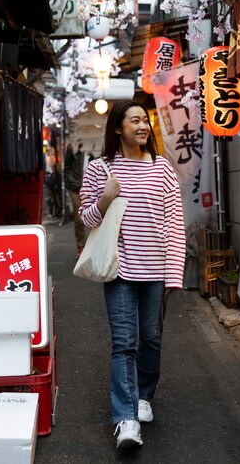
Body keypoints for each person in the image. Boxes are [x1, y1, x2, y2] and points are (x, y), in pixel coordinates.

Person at [79, 100, 186, 450]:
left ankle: (144, 394)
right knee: (125, 343)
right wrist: (106, 198)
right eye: (135, 120)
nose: (143, 126)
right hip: (119, 269)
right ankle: (125, 419)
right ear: (117, 128)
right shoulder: (100, 169)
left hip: (156, 270)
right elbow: (87, 220)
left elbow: (173, 225)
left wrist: (173, 274)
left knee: (151, 339)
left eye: (145, 121)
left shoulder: (162, 169)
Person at [64, 140, 93, 258]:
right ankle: (81, 247)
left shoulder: (97, 144)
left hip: (92, 187)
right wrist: (69, 184)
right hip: (75, 188)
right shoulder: (73, 145)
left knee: (95, 217)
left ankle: (94, 247)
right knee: (79, 219)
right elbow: (67, 167)